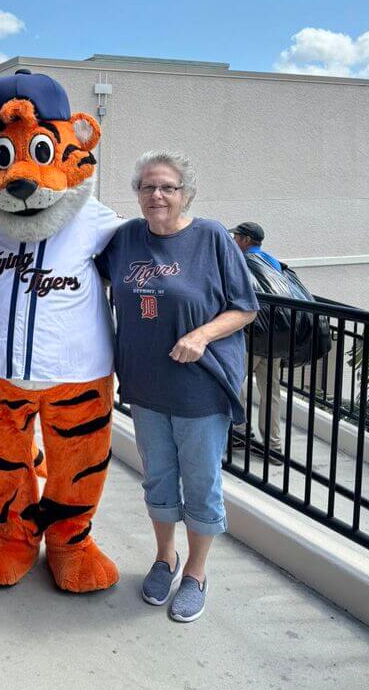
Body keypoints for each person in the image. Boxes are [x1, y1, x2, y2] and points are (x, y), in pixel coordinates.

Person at [96, 151, 257, 623]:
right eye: (147, 187)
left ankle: (197, 572)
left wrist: (202, 335)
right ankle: (165, 557)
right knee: (159, 478)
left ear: (186, 192)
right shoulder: (125, 239)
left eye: (166, 187)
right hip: (145, 387)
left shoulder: (210, 237)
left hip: (200, 390)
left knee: (201, 482)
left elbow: (245, 307)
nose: (157, 195)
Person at [231, 222, 284, 463]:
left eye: (236, 236)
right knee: (271, 393)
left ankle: (240, 432)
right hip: (276, 338)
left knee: (232, 381)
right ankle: (274, 446)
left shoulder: (242, 263)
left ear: (245, 240)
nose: (233, 240)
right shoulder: (273, 263)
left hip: (251, 338)